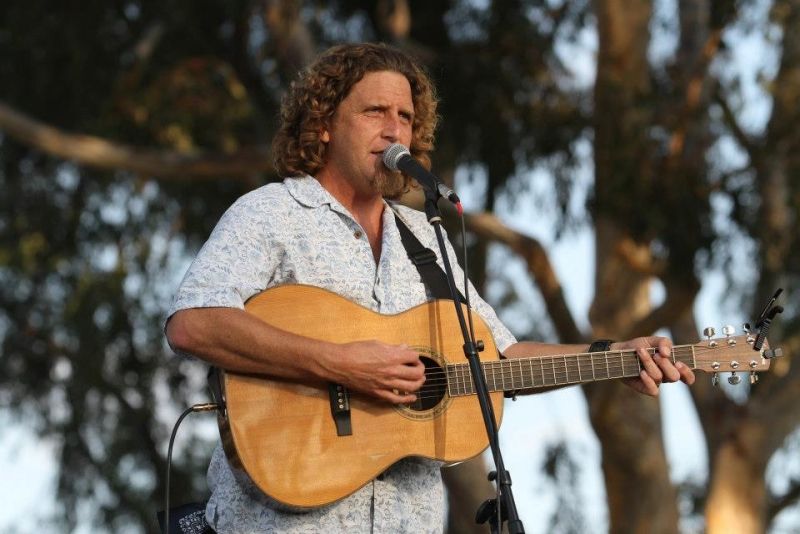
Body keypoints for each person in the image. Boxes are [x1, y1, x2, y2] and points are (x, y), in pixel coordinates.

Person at [165, 42, 695, 534]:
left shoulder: (424, 236)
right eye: (375, 112)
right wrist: (340, 364)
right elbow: (193, 324)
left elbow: (500, 356)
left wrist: (612, 357)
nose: (394, 129)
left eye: (405, 117)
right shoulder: (272, 212)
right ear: (323, 125)